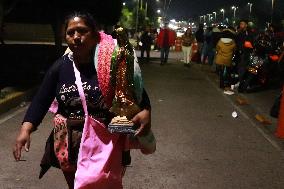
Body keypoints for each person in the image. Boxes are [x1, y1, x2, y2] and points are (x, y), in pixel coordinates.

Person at [13, 12, 153, 189]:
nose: (76, 37)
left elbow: (136, 92)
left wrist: (146, 111)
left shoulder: (111, 63)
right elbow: (42, 98)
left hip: (106, 144)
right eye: (70, 33)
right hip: (70, 143)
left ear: (95, 35)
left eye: (82, 31)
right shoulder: (60, 67)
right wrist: (26, 129)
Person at [235, 19, 254, 92]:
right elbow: (237, 41)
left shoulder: (249, 32)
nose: (241, 25)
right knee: (241, 68)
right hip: (241, 53)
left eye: (242, 24)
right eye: (240, 24)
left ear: (246, 25)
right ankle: (241, 83)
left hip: (247, 53)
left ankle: (244, 83)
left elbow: (251, 42)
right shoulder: (240, 32)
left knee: (247, 69)